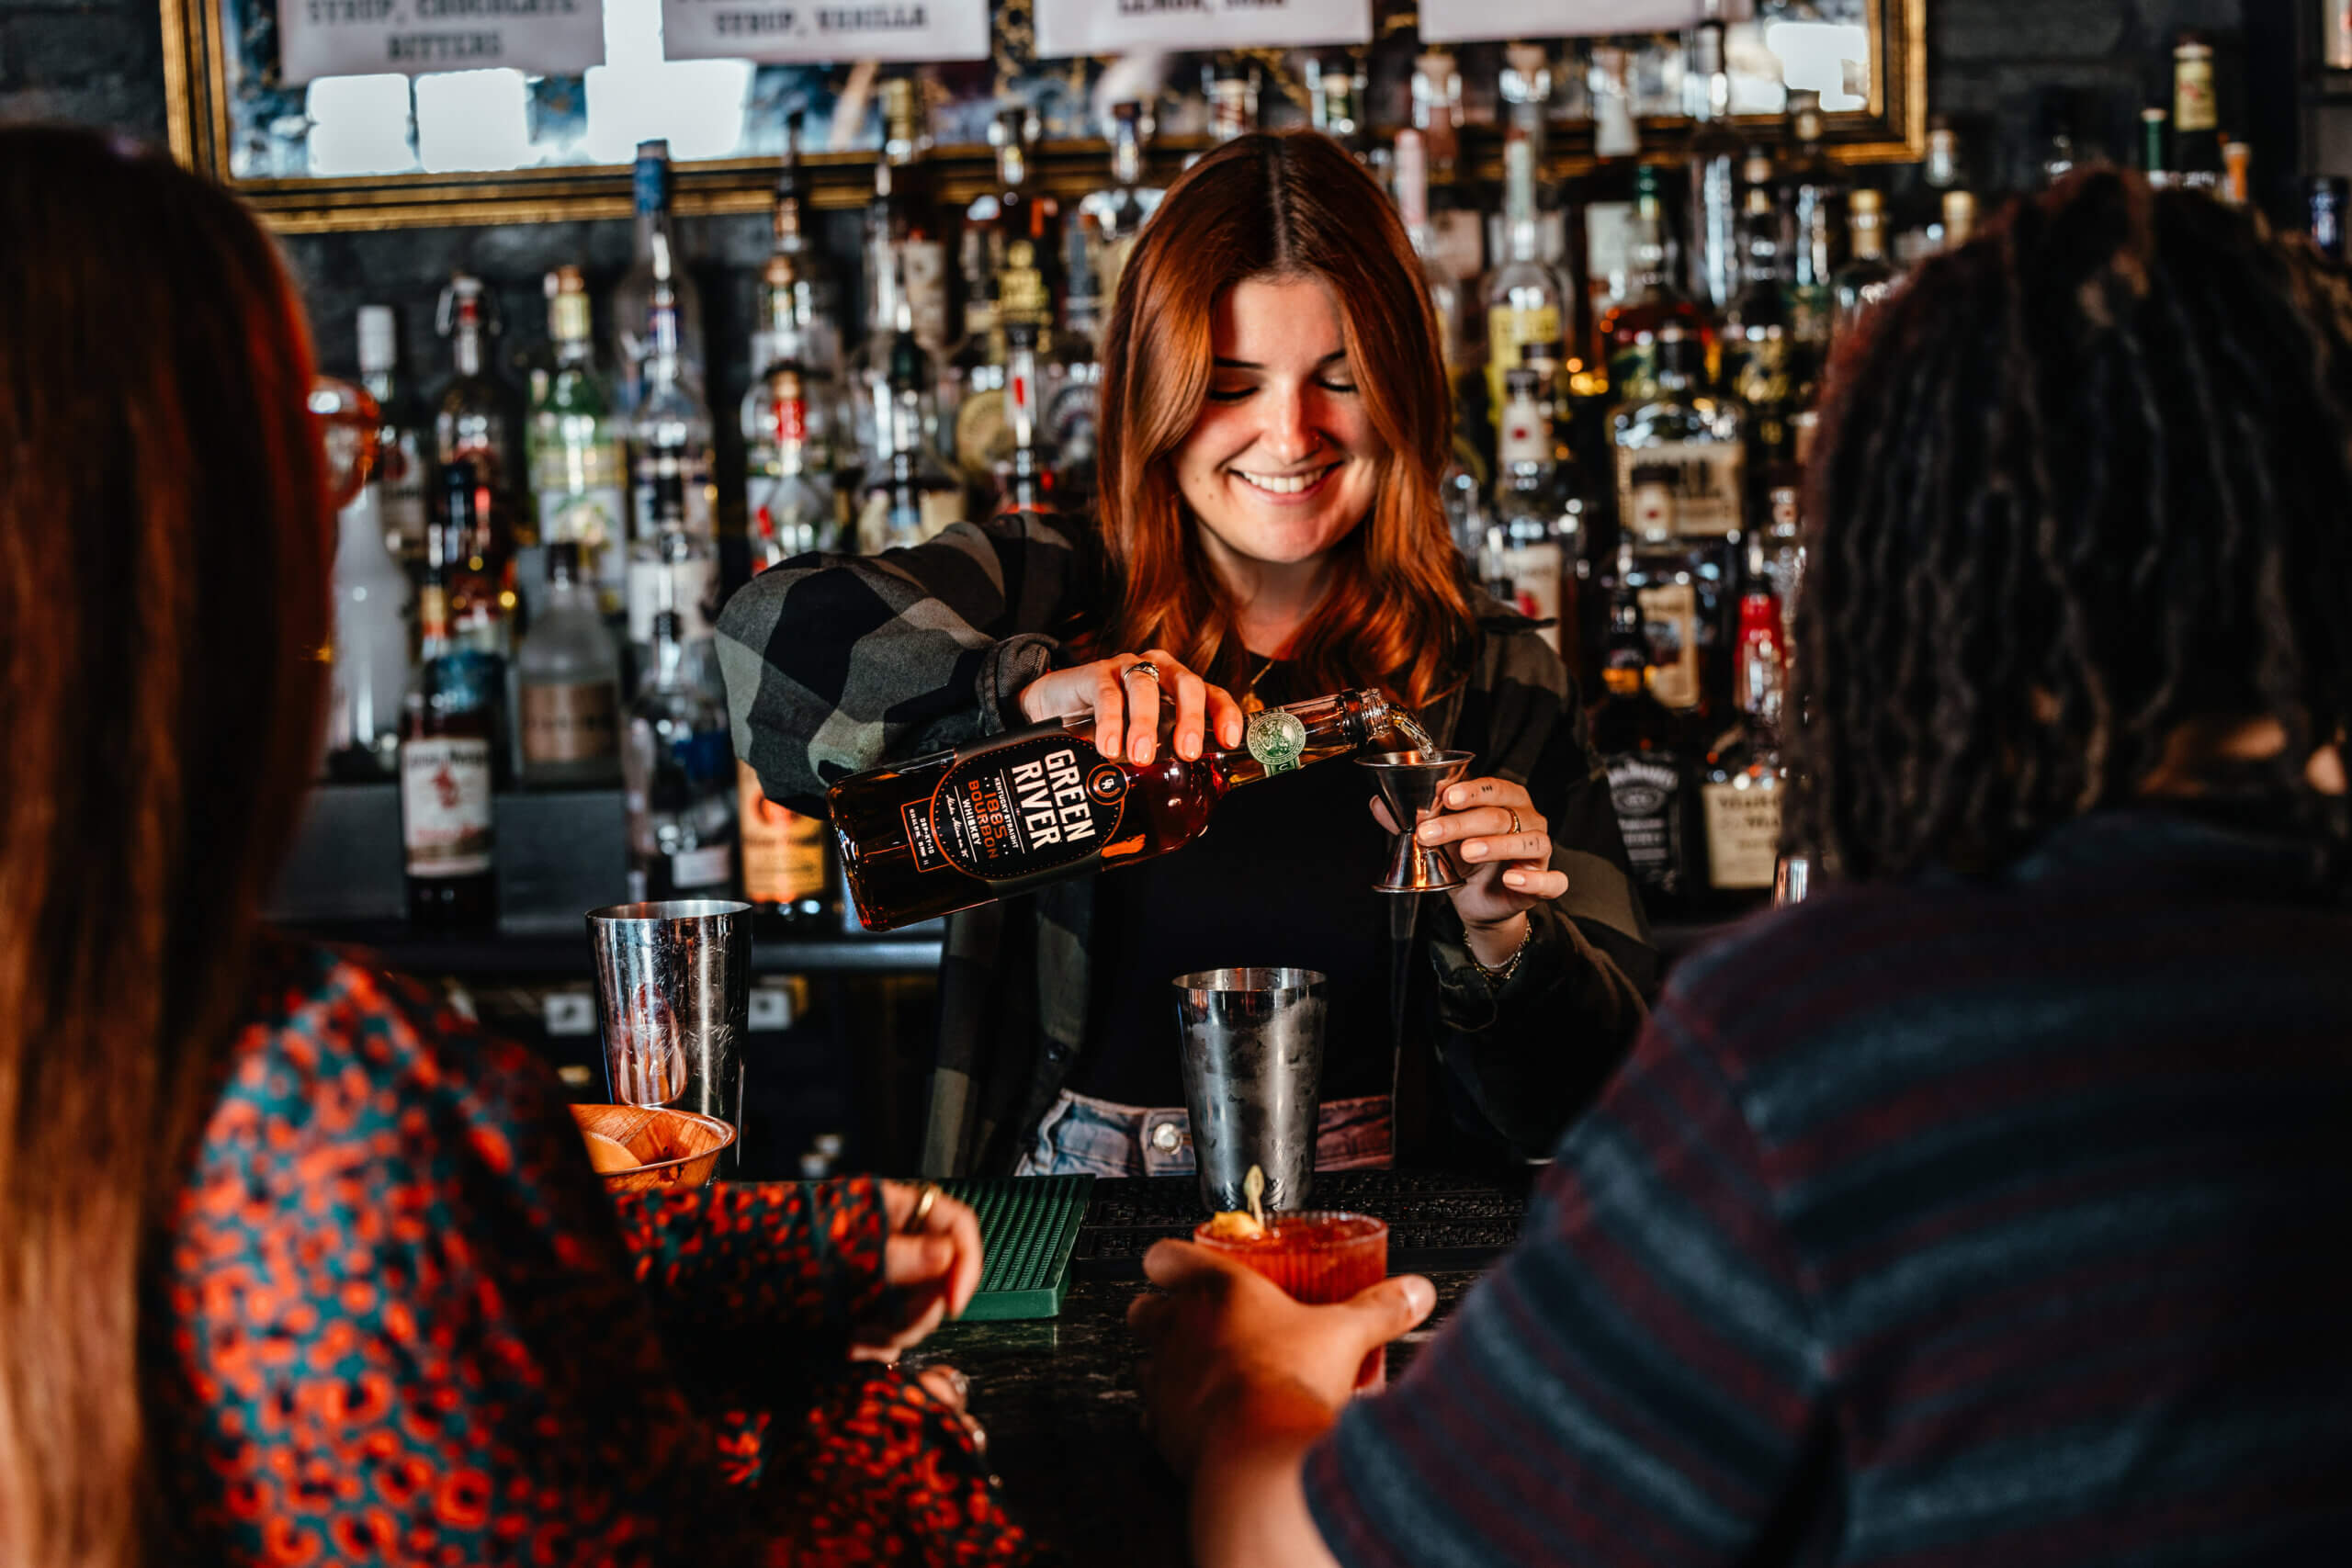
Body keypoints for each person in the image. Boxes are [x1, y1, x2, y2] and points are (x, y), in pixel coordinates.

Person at [1130, 172, 2352, 1563]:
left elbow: (1304, 1551)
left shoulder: (1824, 1050)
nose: (1291, 430)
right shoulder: (1043, 604)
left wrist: (1252, 1383)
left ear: (1918, 564)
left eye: (1338, 378)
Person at [0, 126, 1036, 1568]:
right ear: (204, 556)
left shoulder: (119, 1056)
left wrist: (743, 1252)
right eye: (306, 453)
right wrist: (892, 1425)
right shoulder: (326, 1110)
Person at [719, 130, 1652, 1179]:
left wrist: (1501, 943)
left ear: (1402, 392)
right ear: (1154, 392)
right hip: (1056, 1232)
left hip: (1381, 1247)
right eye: (1230, 383)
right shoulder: (1051, 584)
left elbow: (1601, 1107)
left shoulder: (1493, 669)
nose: (1289, 434)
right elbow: (765, 645)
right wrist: (1020, 690)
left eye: (1338, 380)